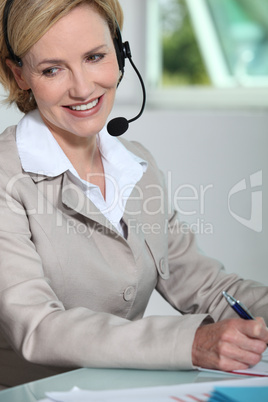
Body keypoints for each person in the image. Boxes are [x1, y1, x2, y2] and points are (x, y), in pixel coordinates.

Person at [0, 0, 267, 389]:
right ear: (20, 74)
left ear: (121, 53)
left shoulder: (137, 165)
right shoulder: (6, 176)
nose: (83, 87)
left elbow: (204, 286)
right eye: (52, 69)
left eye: (94, 56)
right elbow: (38, 326)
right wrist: (187, 343)